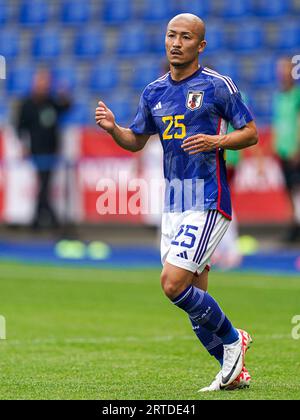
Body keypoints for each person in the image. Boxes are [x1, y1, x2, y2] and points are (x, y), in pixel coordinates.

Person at [95, 14, 258, 392]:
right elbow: (137, 139)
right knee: (194, 297)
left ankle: (235, 340)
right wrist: (114, 129)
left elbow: (250, 133)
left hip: (207, 199)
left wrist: (216, 142)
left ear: (200, 46)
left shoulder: (218, 86)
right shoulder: (153, 92)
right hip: (174, 203)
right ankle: (233, 373)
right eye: (172, 35)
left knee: (172, 284)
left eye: (186, 37)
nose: (176, 42)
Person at [16, 68, 71, 230]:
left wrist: (64, 95)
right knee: (44, 185)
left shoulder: (51, 101)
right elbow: (20, 126)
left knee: (44, 185)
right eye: (41, 82)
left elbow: (66, 107)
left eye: (46, 83)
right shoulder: (27, 104)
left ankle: (39, 220)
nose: (43, 86)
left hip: (51, 151)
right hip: (36, 151)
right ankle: (49, 220)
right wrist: (24, 145)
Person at [273, 58, 300, 242]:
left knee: (297, 191)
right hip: (283, 151)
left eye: (286, 69)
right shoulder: (279, 96)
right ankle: (294, 226)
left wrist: (297, 147)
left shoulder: (297, 96)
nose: (283, 73)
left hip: (295, 152)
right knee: (289, 191)